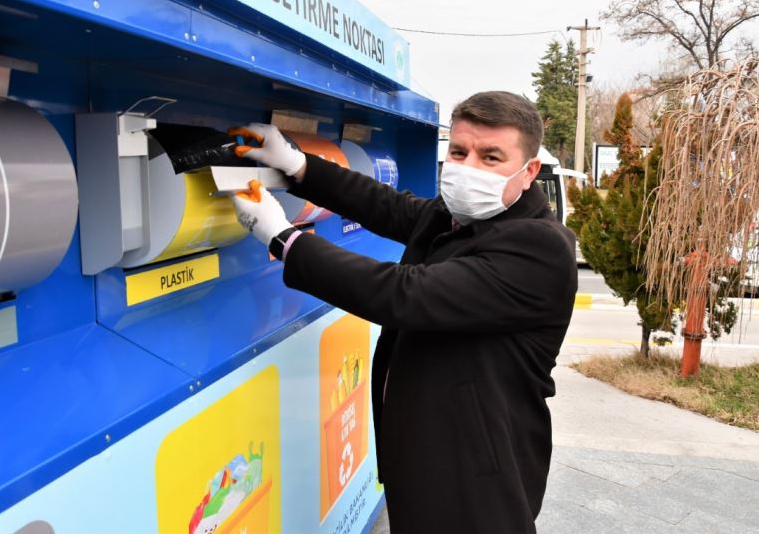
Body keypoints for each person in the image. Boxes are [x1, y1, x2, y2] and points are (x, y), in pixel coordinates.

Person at [230, 91, 577, 533]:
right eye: (459, 151)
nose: (468, 167)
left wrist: (284, 239)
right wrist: (298, 165)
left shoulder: (540, 249)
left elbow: (403, 294)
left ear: (528, 172)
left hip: (481, 477)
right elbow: (386, 205)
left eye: (491, 157)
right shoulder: (460, 217)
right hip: (426, 459)